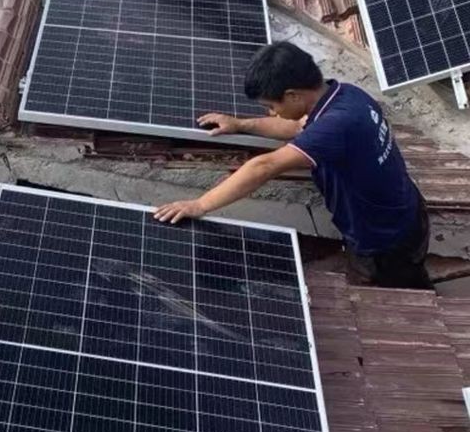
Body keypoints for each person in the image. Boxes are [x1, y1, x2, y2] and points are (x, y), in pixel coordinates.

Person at [153, 41, 432, 290]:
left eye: (271, 106)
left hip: (383, 239)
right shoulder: (345, 95)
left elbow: (264, 166)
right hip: (406, 210)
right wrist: (241, 125)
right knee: (410, 274)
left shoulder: (336, 126)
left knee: (394, 298)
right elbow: (296, 127)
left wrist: (200, 205)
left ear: (293, 95)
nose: (271, 113)